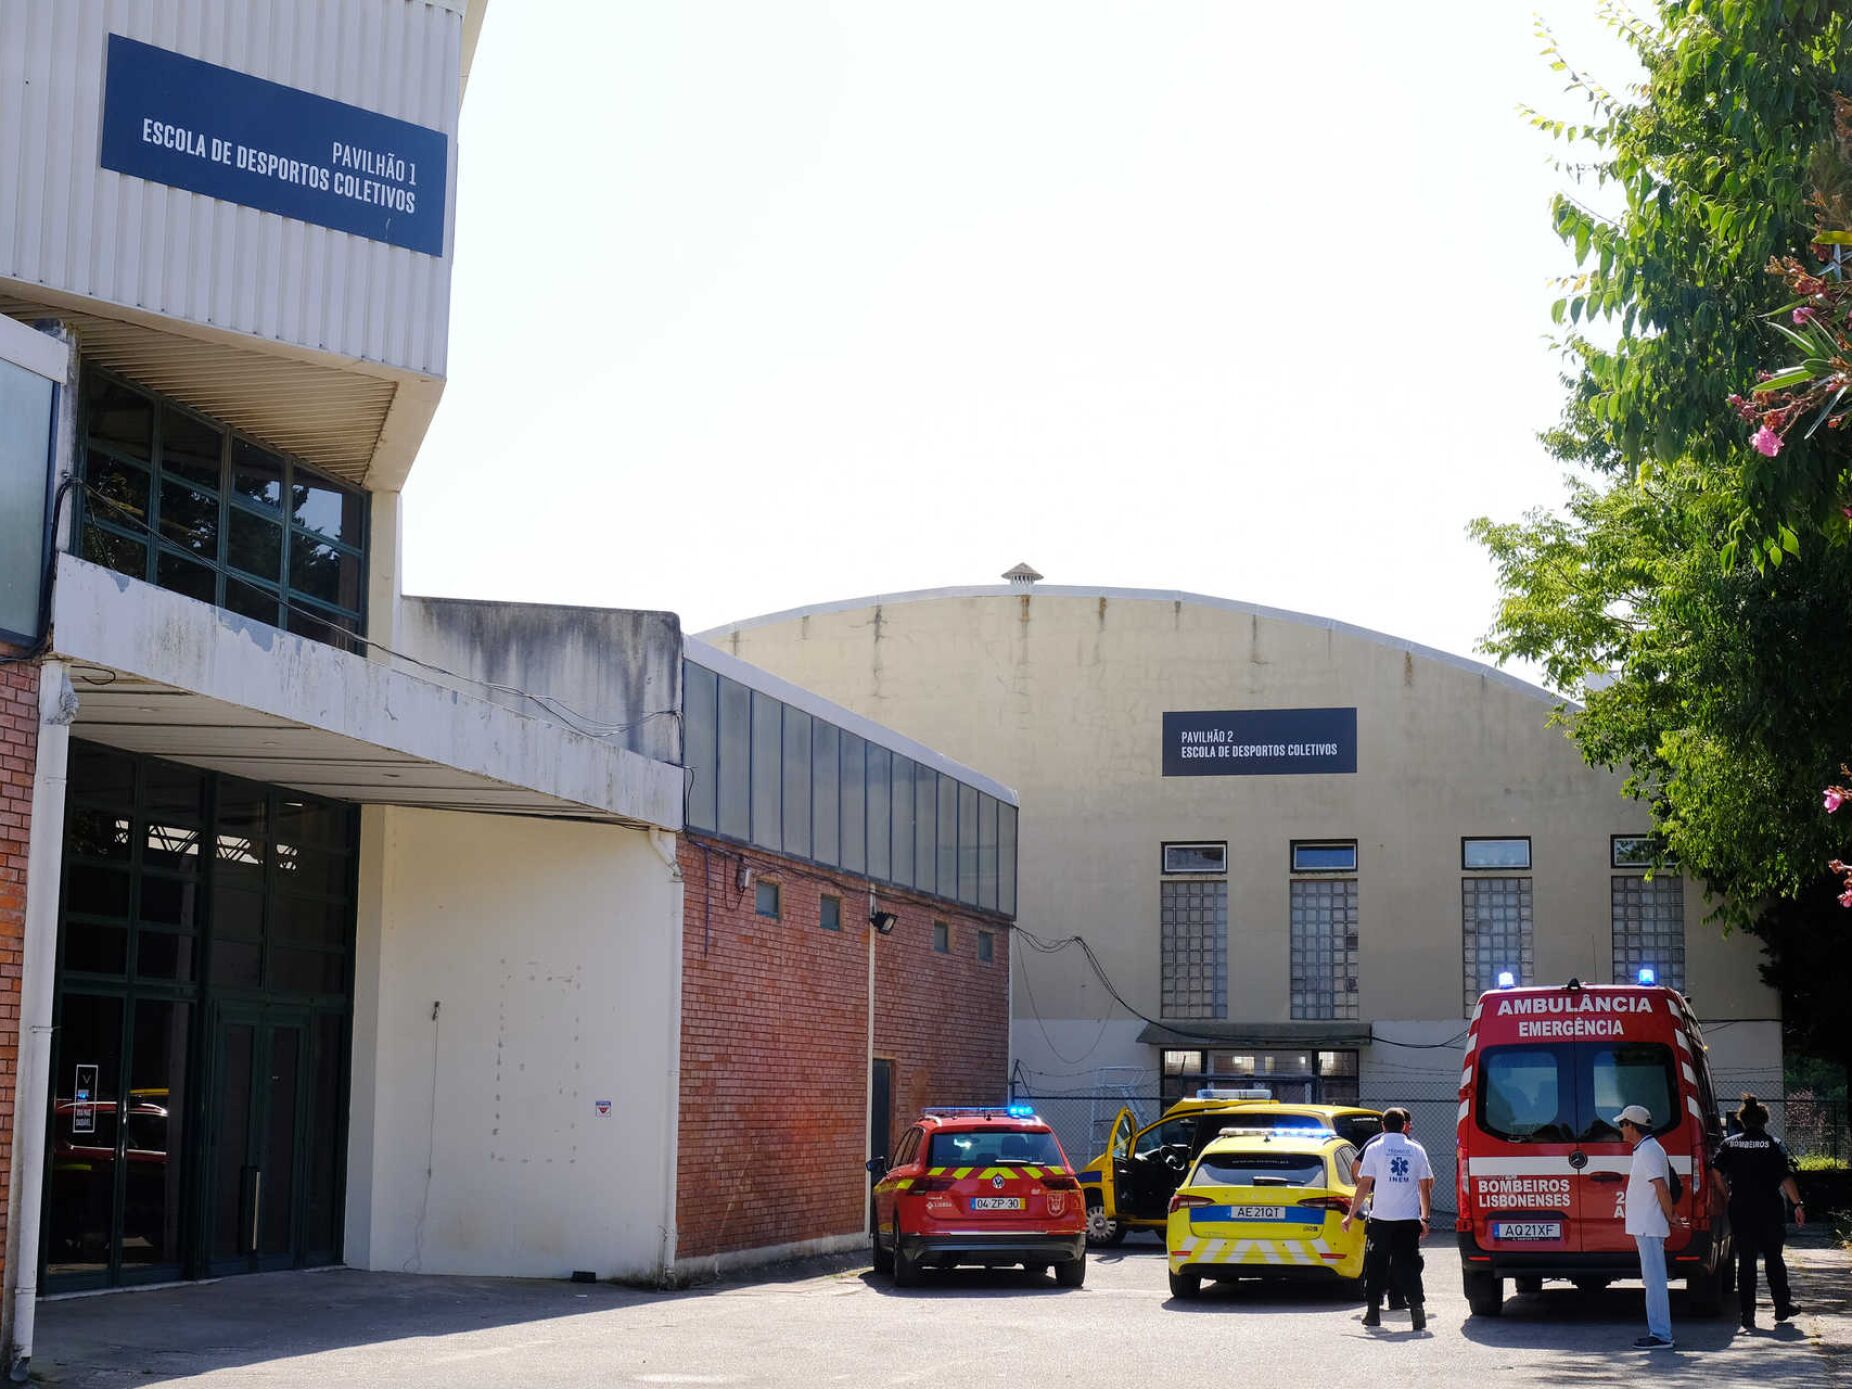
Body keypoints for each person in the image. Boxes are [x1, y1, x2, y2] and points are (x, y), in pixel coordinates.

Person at [1711, 1092, 1806, 1332]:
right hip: (1770, 1209)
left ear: (1742, 1120)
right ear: (1764, 1121)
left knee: (1746, 1261)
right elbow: (1785, 1177)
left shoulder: (1730, 1144)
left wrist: (1725, 1193)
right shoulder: (1774, 1144)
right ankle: (1782, 1307)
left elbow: (1715, 1171)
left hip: (1741, 1208)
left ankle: (1747, 1314)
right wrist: (1798, 1205)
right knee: (1774, 1258)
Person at [1342, 1106, 1434, 1330]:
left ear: (1382, 1126)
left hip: (1381, 1219)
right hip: (1408, 1219)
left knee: (1376, 1266)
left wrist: (1350, 1215)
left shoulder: (1374, 1149)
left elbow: (1364, 1185)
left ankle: (1373, 1313)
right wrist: (1425, 1218)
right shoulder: (1416, 1150)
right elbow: (1425, 1186)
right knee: (1409, 1264)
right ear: (1405, 1126)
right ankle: (1417, 1312)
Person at [1616, 1103, 1683, 1349]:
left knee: (1654, 1282)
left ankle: (1661, 1334)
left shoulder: (1648, 1151)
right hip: (1647, 1225)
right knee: (1653, 1280)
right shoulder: (1647, 1149)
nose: (1621, 1129)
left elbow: (1661, 1187)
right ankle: (1659, 1332)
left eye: (1623, 1124)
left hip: (1649, 1225)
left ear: (1632, 1126)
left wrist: (1671, 1215)